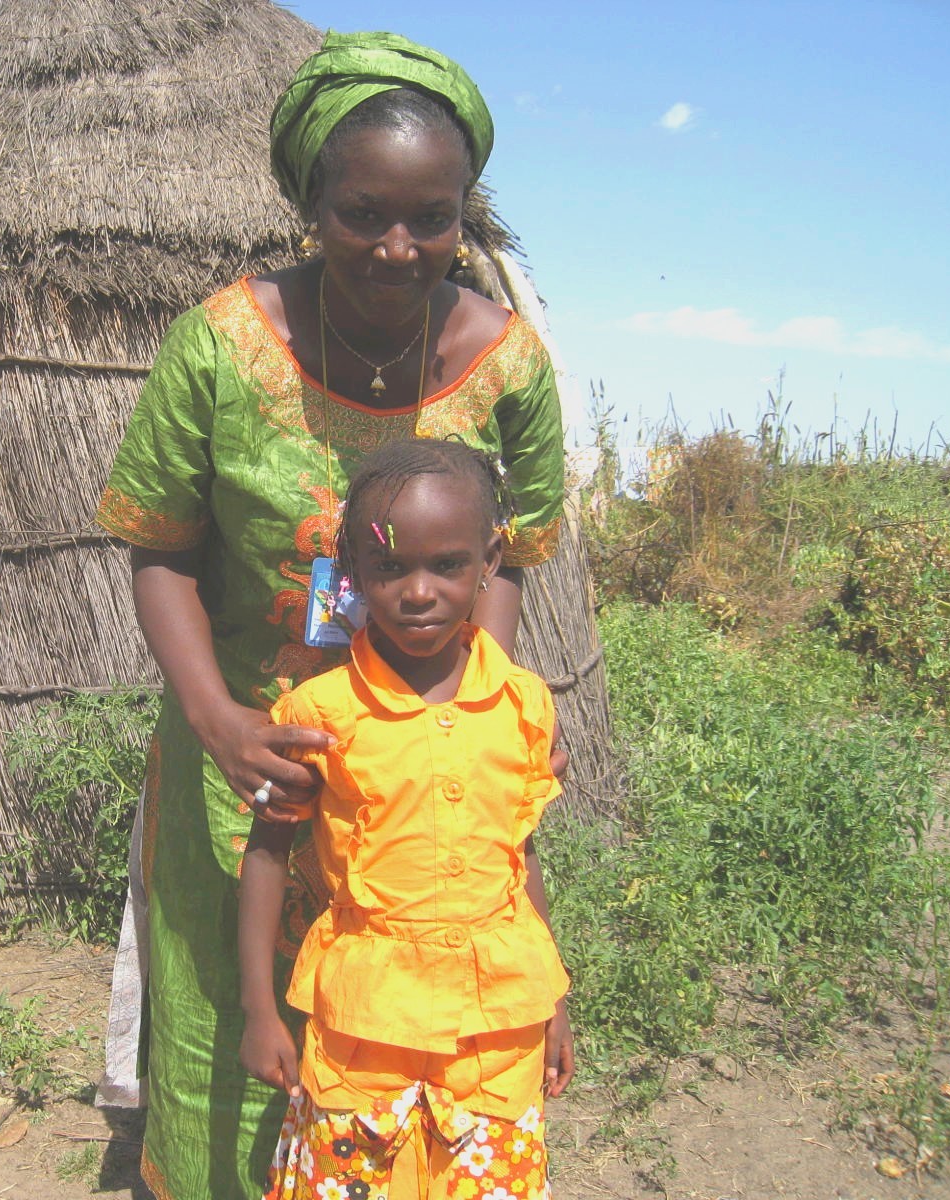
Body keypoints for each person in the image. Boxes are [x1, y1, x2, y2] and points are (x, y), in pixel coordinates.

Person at [93, 30, 567, 1200]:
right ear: (311, 202)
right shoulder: (220, 346)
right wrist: (217, 722)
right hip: (247, 760)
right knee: (224, 1024)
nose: (398, 247)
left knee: (422, 1047)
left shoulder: (506, 367)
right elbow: (158, 550)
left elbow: (511, 558)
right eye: (362, 213)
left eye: (432, 217)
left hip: (419, 786)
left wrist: (442, 713)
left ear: (465, 213)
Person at [238, 438, 573, 1200]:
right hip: (366, 1033)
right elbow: (266, 856)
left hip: (497, 1036)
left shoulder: (525, 707)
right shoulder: (316, 715)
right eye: (390, 567)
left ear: (490, 560)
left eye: (448, 565)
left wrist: (552, 1002)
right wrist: (261, 1008)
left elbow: (520, 860)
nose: (418, 592)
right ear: (350, 568)